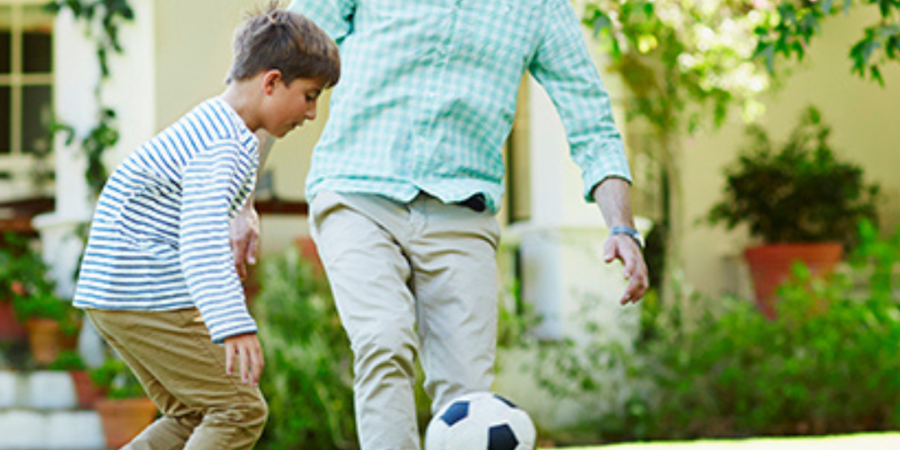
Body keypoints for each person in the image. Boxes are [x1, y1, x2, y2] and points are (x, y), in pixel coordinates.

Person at [231, 1, 649, 449]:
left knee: (468, 393)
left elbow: (590, 116)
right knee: (383, 340)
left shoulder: (540, 8)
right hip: (358, 192)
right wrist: (240, 198)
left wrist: (621, 226)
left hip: (462, 211)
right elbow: (273, 71)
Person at [71, 4, 340, 449]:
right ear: (271, 82)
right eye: (310, 95)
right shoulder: (223, 145)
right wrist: (232, 323)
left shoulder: (216, 128)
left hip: (117, 290)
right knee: (239, 409)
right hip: (144, 288)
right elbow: (201, 242)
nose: (311, 113)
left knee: (195, 412)